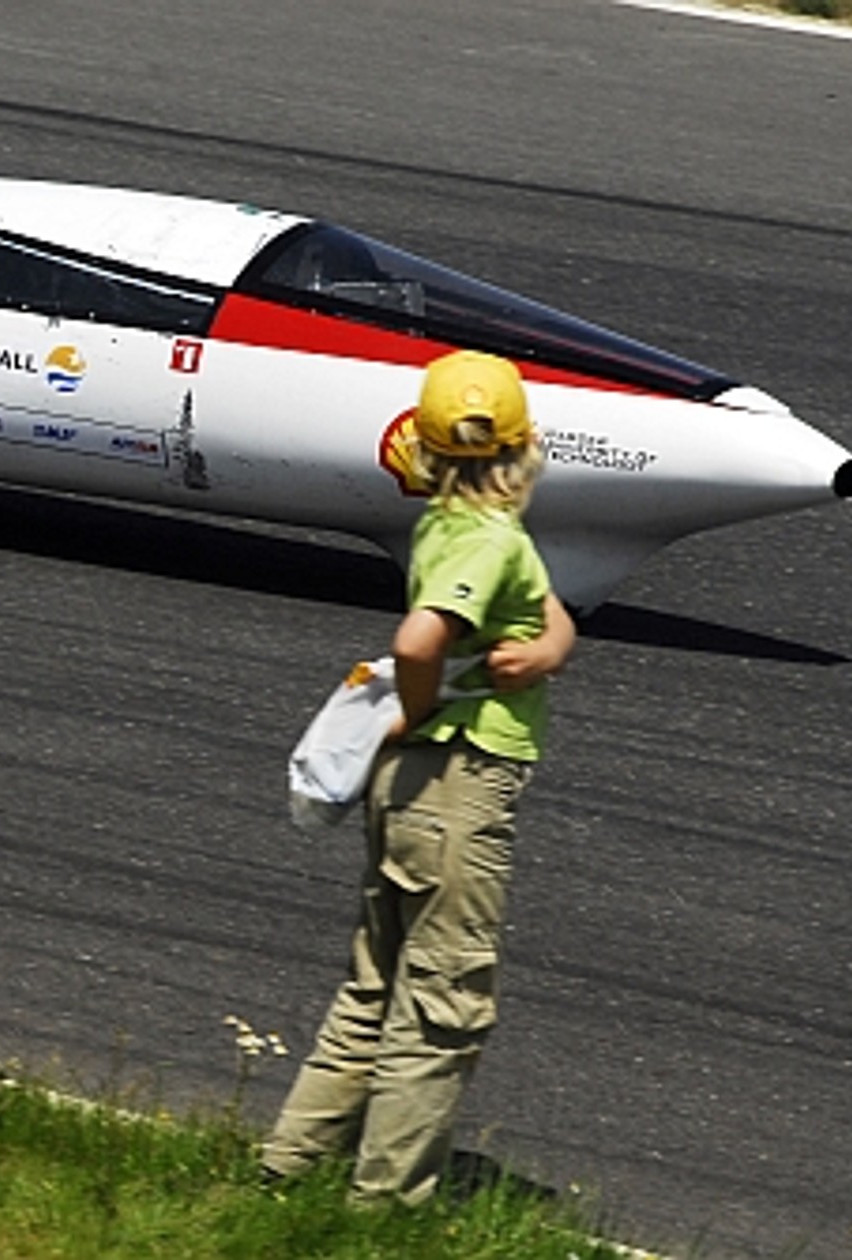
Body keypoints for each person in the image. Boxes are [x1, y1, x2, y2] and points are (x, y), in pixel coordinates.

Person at [258, 349, 576, 1204]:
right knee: (445, 1001)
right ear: (524, 451)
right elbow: (417, 642)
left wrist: (549, 648)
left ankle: (289, 1164)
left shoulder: (448, 526)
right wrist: (426, 707)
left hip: (409, 791)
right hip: (459, 781)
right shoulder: (491, 541)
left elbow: (548, 612)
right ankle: (384, 1206)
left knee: (375, 983)